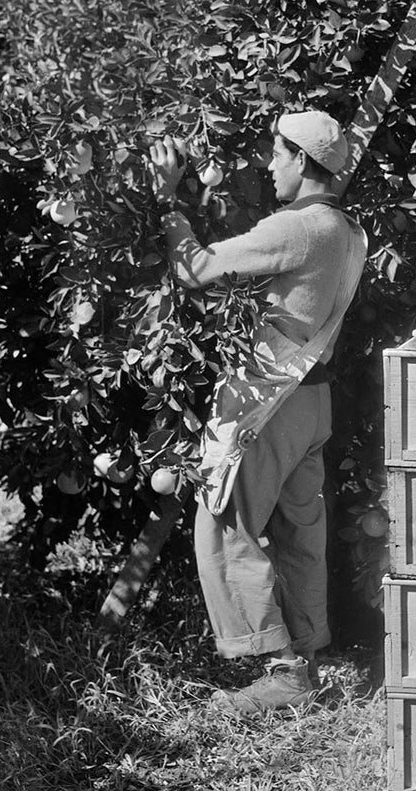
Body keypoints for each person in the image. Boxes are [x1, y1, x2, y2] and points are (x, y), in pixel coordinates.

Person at [147, 110, 367, 717]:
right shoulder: (348, 231)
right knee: (299, 528)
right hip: (311, 402)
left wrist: (169, 200)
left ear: (301, 160)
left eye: (276, 155)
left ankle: (282, 670)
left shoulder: (301, 228)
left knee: (222, 522)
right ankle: (306, 654)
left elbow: (198, 269)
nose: (270, 167)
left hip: (268, 403)